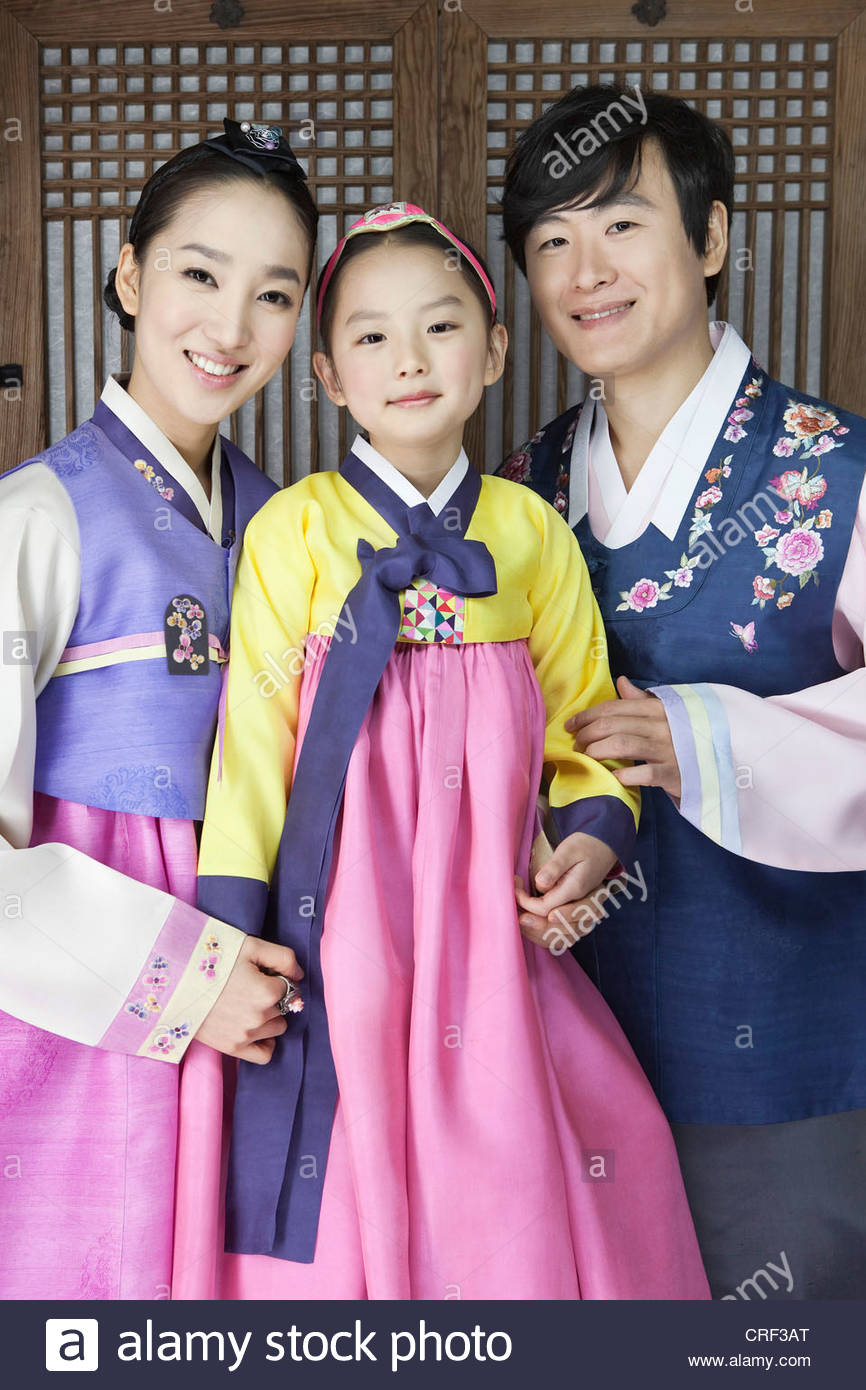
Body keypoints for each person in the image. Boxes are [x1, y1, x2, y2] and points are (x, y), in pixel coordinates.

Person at [186, 201, 710, 1300]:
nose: (408, 360)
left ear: (494, 350)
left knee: (540, 1163)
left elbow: (582, 726)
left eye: (440, 326)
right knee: (345, 1163)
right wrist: (235, 936)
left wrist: (590, 842)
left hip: (488, 925)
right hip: (344, 927)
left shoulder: (527, 534)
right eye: (370, 337)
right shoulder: (298, 530)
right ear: (326, 375)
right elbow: (249, 750)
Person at [499, 84, 866, 1299]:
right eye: (550, 240)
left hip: (782, 1046)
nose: (583, 270)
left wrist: (705, 734)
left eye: (619, 225)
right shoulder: (514, 494)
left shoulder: (839, 472)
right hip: (553, 1038)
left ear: (709, 242)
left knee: (778, 1337)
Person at [0, 119, 316, 1300]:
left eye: (273, 295)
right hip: (85, 1017)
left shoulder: (291, 530)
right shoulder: (37, 516)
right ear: (130, 275)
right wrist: (185, 979)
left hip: (278, 1003)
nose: (229, 329)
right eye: (198, 274)